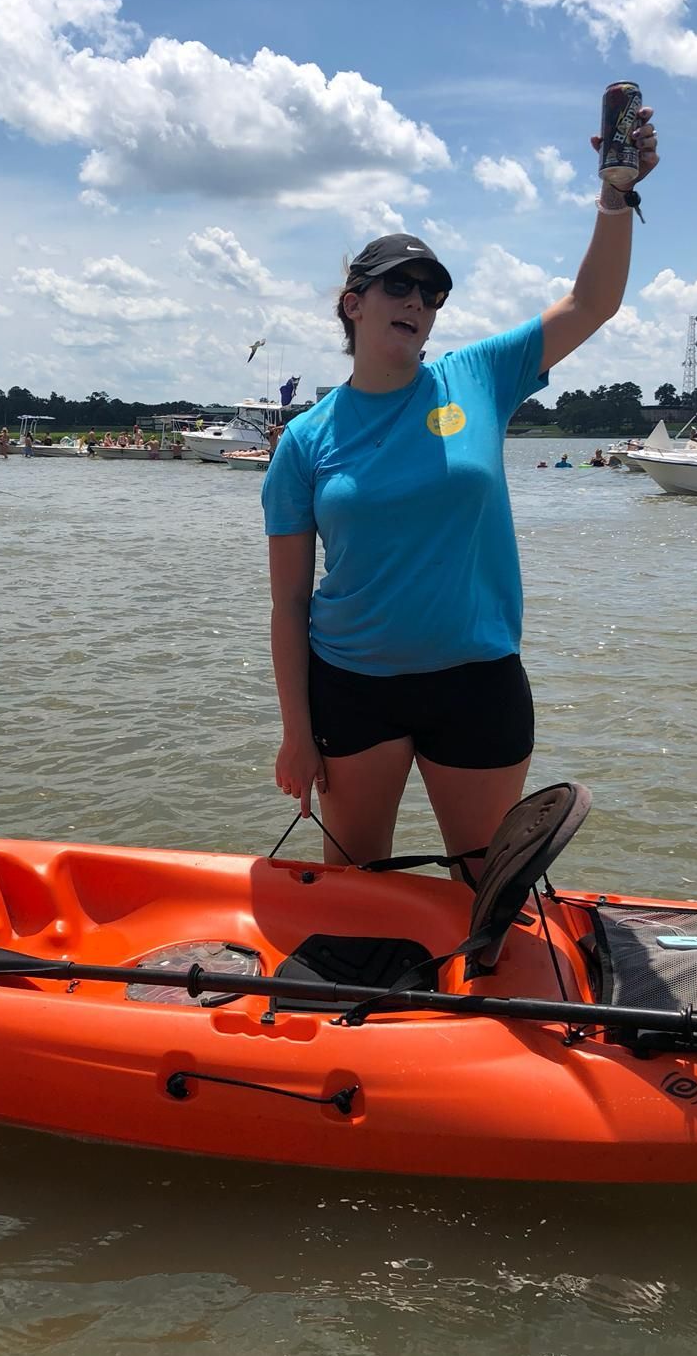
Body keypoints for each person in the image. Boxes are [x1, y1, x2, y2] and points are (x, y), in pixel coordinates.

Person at [260, 100, 658, 872]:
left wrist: (616, 198)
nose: (417, 300)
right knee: (357, 892)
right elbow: (287, 604)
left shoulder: (478, 375)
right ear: (354, 304)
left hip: (477, 681)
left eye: (431, 291)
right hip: (352, 684)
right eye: (397, 285)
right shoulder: (304, 442)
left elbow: (593, 303)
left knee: (485, 895)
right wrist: (296, 732)